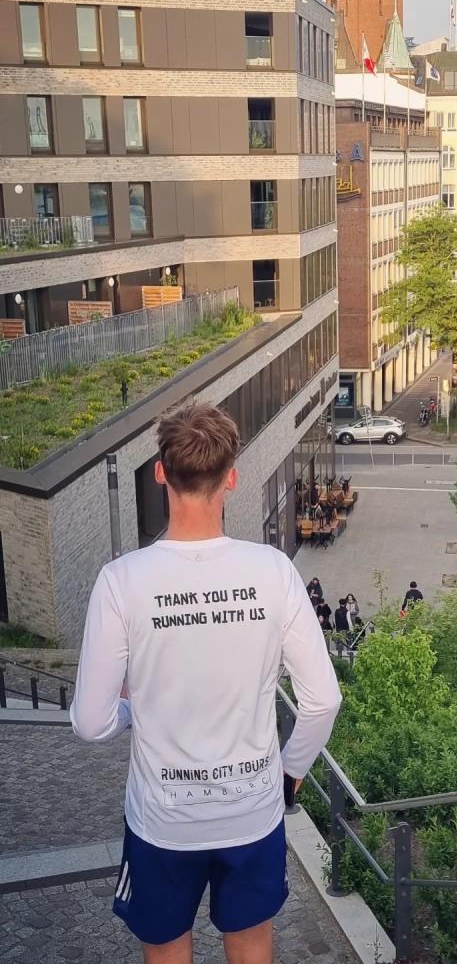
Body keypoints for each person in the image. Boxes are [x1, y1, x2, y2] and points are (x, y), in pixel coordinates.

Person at [70, 403, 341, 964]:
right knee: (252, 948)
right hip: (252, 812)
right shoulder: (273, 572)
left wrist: (129, 710)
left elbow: (90, 722)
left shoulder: (121, 583)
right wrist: (288, 776)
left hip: (162, 821)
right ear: (233, 477)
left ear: (161, 472)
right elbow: (322, 701)